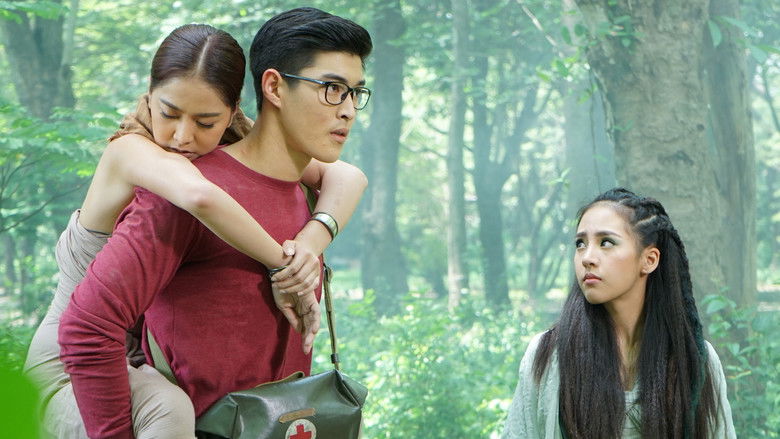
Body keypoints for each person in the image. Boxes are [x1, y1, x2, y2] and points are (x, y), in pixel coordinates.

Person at [25, 23, 366, 438]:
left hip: (132, 353)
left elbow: (348, 176)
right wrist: (285, 266)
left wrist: (310, 241)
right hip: (67, 359)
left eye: (205, 122)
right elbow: (200, 196)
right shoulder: (138, 156)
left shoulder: (247, 157)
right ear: (150, 96)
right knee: (170, 411)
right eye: (169, 114)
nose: (183, 136)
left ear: (231, 113)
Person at [501, 188, 736, 438]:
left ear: (649, 260)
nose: (587, 257)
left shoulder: (694, 359)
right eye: (580, 244)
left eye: (606, 242)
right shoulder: (548, 355)